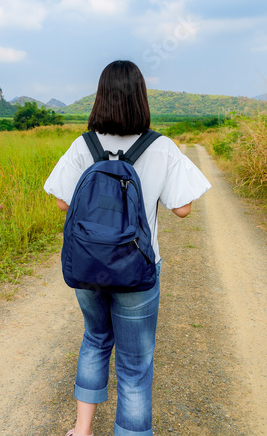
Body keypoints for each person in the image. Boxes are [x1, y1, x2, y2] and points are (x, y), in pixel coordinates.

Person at [43, 60, 212, 436]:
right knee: (135, 367)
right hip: (138, 270)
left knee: (95, 339)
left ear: (101, 97)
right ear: (141, 98)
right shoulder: (161, 146)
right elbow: (183, 209)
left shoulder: (82, 145)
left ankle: (82, 430)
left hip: (88, 268)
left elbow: (61, 202)